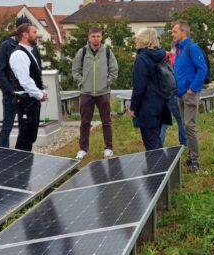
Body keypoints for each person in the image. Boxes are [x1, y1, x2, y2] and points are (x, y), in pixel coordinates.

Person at [71, 26, 118, 159]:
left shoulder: (107, 52)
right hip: (86, 92)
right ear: (89, 37)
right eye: (93, 36)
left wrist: (107, 82)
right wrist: (82, 82)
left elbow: (114, 70)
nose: (96, 39)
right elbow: (75, 70)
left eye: (98, 36)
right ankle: (83, 149)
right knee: (85, 122)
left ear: (101, 37)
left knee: (106, 122)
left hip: (103, 92)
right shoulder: (82, 52)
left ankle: (108, 148)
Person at [0, 16, 38, 148]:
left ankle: (23, 154)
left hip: (27, 95)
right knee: (7, 126)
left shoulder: (31, 47)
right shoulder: (6, 46)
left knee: (26, 126)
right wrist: (10, 90)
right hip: (12, 95)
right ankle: (4, 153)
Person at [171, 20, 207, 171]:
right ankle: (191, 155)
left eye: (175, 31)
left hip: (189, 93)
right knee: (185, 125)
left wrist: (193, 88)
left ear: (183, 32)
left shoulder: (192, 48)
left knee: (189, 125)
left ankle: (194, 159)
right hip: (180, 93)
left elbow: (202, 69)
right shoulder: (179, 49)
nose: (172, 34)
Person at [128, 28, 172, 150]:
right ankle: (161, 161)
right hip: (161, 102)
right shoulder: (161, 55)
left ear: (142, 40)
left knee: (152, 144)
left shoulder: (142, 58)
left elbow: (139, 87)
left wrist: (133, 107)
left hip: (147, 105)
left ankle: (160, 163)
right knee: (156, 138)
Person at [8, 22, 48, 151]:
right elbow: (25, 80)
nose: (37, 35)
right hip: (25, 101)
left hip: (30, 100)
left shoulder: (28, 52)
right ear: (25, 34)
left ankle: (25, 162)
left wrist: (40, 92)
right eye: (34, 32)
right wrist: (40, 94)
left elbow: (33, 76)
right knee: (25, 137)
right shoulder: (19, 54)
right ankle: (20, 163)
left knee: (30, 136)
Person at [158, 44, 185, 146]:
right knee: (181, 119)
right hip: (174, 92)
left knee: (163, 121)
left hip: (162, 92)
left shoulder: (163, 57)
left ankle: (159, 144)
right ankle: (183, 143)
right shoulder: (177, 58)